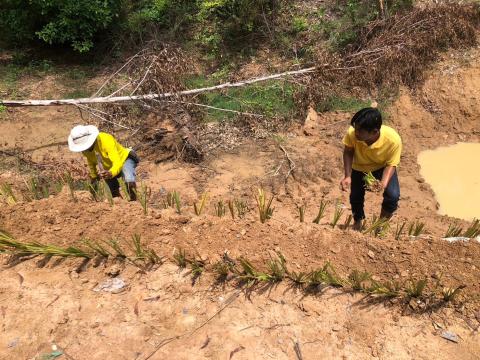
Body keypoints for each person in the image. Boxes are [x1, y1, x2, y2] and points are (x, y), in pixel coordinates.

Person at [340, 107, 402, 230]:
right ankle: (358, 221)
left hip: (381, 167)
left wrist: (383, 183)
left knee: (393, 196)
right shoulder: (353, 134)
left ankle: (381, 225)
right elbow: (348, 151)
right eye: (355, 128)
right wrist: (347, 176)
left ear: (374, 132)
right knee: (355, 196)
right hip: (359, 167)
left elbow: (391, 164)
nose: (355, 133)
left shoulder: (393, 140)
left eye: (360, 131)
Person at [67, 125, 139, 201]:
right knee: (113, 191)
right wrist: (94, 176)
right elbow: (91, 161)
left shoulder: (106, 139)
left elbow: (117, 161)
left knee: (129, 180)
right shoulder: (85, 150)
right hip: (108, 167)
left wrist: (111, 173)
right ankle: (119, 203)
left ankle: (134, 202)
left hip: (124, 159)